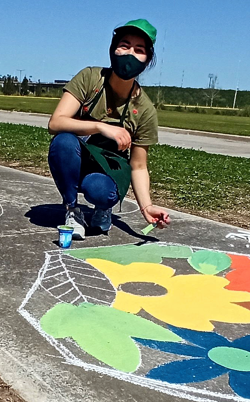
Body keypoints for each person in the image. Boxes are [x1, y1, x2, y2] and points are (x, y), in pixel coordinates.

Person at [47, 19, 169, 239]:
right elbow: (56, 122)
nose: (130, 54)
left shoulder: (145, 110)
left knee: (100, 191)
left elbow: (139, 166)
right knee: (62, 142)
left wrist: (146, 207)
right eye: (124, 46)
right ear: (113, 49)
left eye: (139, 50)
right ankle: (73, 210)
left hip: (108, 168)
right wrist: (99, 126)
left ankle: (103, 208)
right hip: (79, 157)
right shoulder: (90, 78)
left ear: (147, 60)